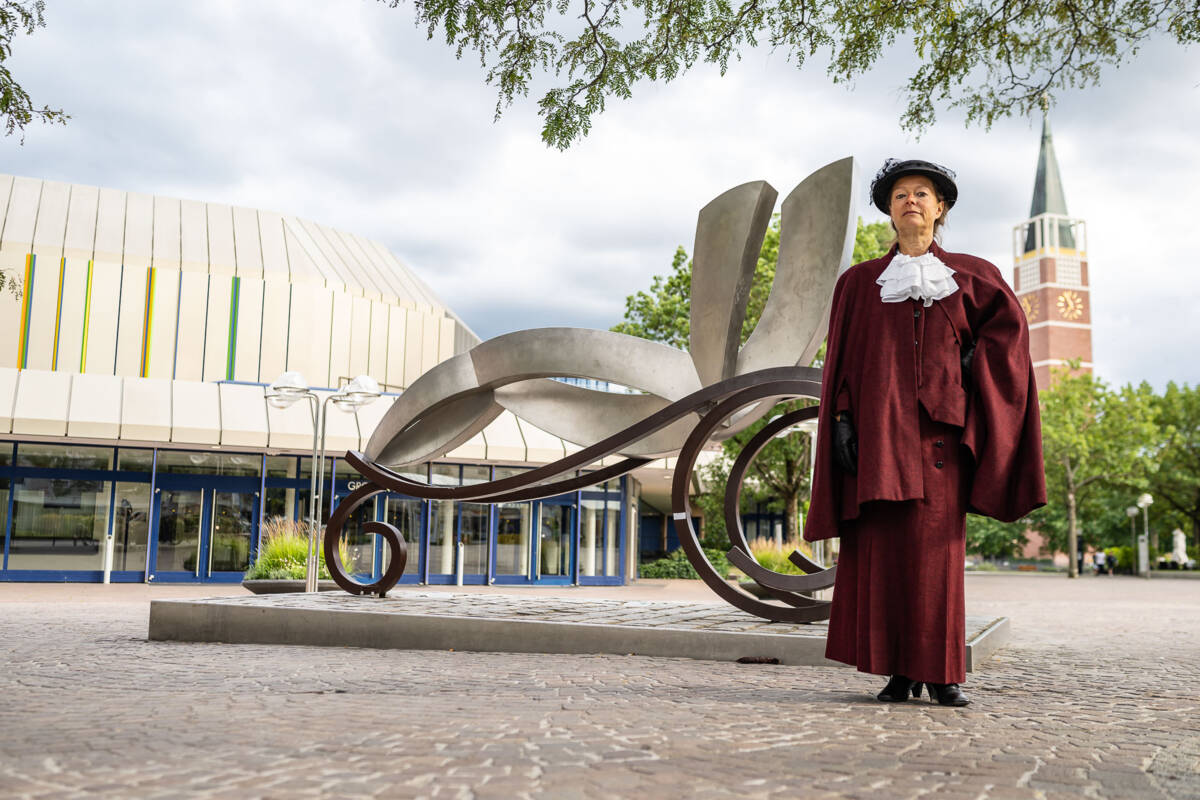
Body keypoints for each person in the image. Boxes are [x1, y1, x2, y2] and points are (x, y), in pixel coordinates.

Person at [804, 158, 1046, 707]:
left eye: (922, 194)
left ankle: (942, 674)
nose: (910, 201)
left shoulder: (974, 274)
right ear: (889, 211)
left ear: (941, 208)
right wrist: (841, 421)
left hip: (942, 443)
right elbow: (840, 362)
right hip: (879, 442)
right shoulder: (860, 283)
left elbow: (1010, 341)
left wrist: (969, 366)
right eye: (899, 195)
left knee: (938, 559)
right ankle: (897, 673)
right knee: (883, 553)